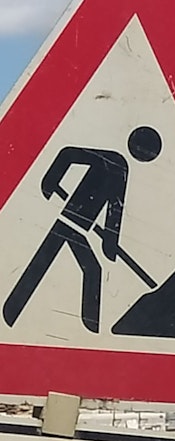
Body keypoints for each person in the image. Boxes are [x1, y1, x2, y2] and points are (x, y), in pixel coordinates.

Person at [2, 127, 161, 333]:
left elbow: (115, 209)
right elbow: (68, 154)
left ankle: (16, 310)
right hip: (68, 222)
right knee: (70, 266)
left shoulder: (120, 167)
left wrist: (109, 244)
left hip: (78, 228)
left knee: (73, 266)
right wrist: (50, 182)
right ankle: (13, 311)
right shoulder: (113, 161)